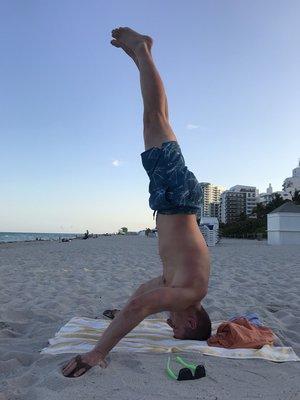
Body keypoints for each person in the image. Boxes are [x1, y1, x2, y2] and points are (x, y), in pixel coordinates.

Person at [62, 27, 211, 378]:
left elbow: (144, 293)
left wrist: (120, 314)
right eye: (176, 328)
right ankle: (143, 51)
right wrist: (97, 352)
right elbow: (142, 305)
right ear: (191, 319)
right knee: (154, 120)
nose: (169, 326)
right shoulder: (188, 291)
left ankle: (142, 57)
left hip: (176, 201)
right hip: (175, 200)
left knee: (159, 121)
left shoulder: (182, 286)